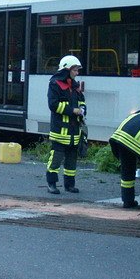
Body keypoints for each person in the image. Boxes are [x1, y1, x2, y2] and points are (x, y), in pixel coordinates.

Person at [45, 55, 86, 194]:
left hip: (74, 132)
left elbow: (82, 101)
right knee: (56, 159)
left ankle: (69, 185)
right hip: (60, 131)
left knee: (71, 161)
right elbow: (53, 105)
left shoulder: (75, 86)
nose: (77, 73)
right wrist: (72, 110)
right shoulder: (55, 84)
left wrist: (82, 109)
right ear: (66, 69)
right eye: (74, 70)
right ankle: (51, 184)